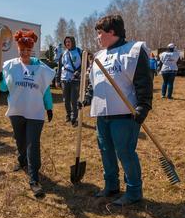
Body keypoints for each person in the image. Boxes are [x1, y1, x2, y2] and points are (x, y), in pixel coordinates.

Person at [79, 15, 153, 206]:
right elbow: (93, 84)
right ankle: (111, 186)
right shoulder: (98, 56)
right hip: (102, 115)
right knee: (106, 151)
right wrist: (87, 98)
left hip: (125, 114)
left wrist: (143, 106)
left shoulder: (134, 51)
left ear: (111, 32)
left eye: (100, 33)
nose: (98, 37)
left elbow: (144, 81)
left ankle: (134, 192)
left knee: (125, 153)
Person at [0, 30, 55, 197]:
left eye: (28, 51)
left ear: (32, 50)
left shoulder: (40, 68)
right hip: (16, 110)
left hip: (35, 112)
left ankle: (34, 178)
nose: (25, 53)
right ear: (18, 50)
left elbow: (46, 90)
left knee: (32, 143)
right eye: (22, 51)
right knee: (20, 140)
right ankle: (21, 161)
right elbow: (4, 89)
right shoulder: (11, 66)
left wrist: (49, 107)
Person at [56, 36, 82, 127]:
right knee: (66, 100)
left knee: (74, 100)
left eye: (69, 41)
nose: (67, 43)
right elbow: (59, 67)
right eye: (66, 42)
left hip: (75, 80)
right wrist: (57, 80)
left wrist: (78, 72)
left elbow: (85, 64)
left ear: (73, 42)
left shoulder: (79, 52)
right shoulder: (63, 53)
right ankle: (68, 115)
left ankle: (74, 118)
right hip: (64, 80)